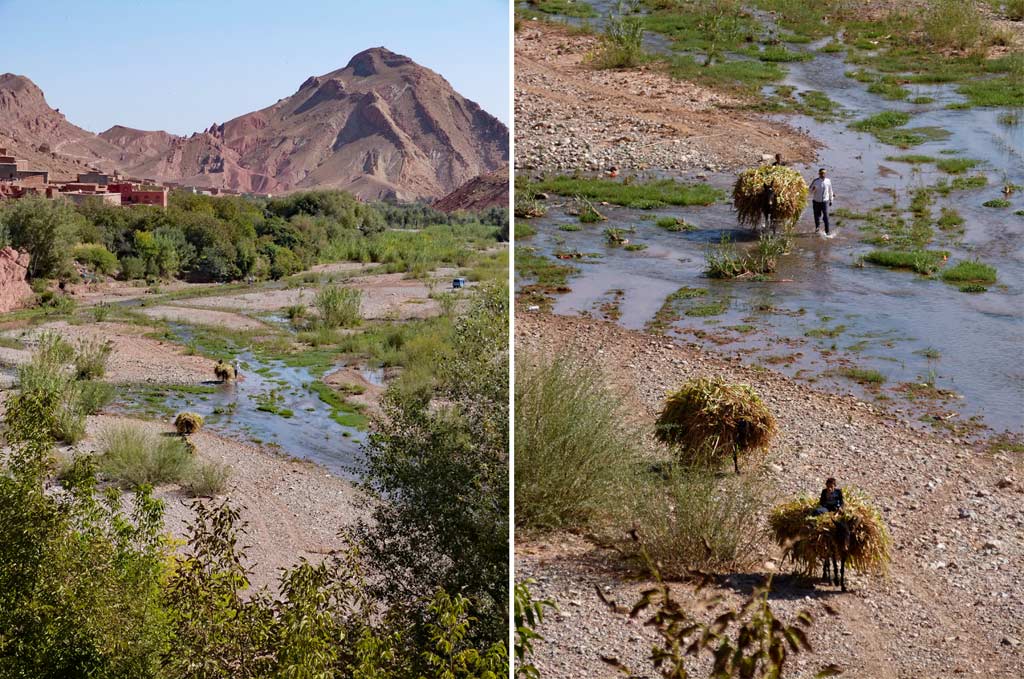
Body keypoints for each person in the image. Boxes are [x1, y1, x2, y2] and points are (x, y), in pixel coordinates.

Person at [808, 168, 835, 237]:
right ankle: (817, 229)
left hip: (825, 202)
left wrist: (831, 200)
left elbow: (830, 191)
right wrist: (812, 189)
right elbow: (809, 191)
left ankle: (827, 232)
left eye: (824, 173)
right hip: (816, 202)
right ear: (819, 174)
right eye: (821, 173)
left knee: (826, 216)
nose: (823, 175)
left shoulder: (828, 181)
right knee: (817, 217)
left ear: (825, 174)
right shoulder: (815, 181)